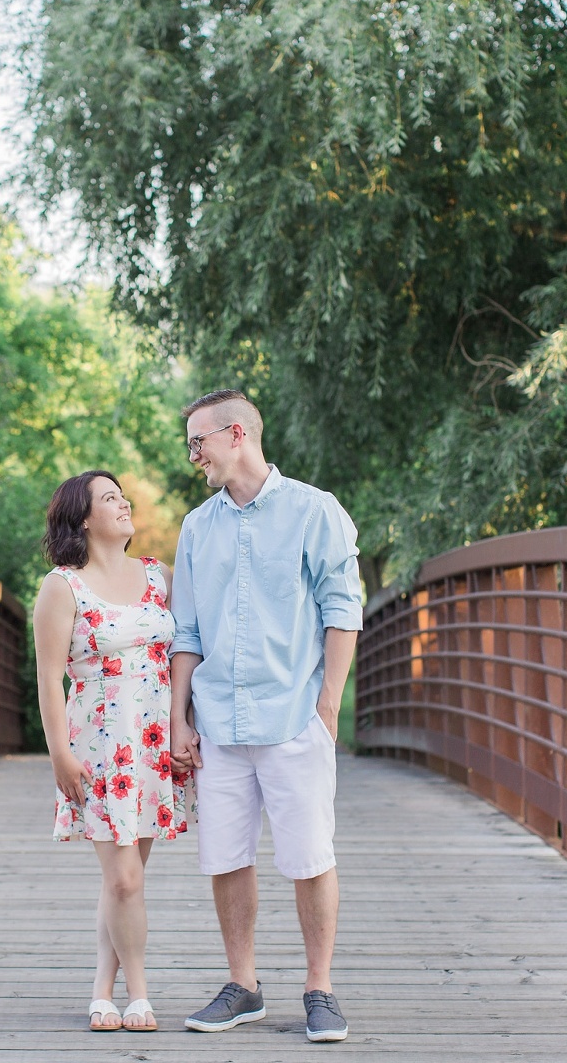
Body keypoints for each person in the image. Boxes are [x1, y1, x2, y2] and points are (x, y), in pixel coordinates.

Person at [170, 389, 363, 1044]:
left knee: (310, 856)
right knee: (225, 857)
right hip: (218, 721)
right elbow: (187, 631)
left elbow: (342, 608)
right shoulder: (197, 528)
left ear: (236, 434)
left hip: (293, 716)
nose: (193, 456)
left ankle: (320, 988)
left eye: (198, 442)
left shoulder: (314, 510)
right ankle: (243, 985)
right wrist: (179, 718)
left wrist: (328, 704)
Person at [33, 470, 191, 1032]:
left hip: (151, 746)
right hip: (98, 748)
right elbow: (49, 678)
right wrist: (58, 753)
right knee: (124, 879)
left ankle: (102, 989)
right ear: (82, 518)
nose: (124, 505)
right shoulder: (62, 587)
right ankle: (139, 993)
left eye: (123, 497)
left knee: (125, 879)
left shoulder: (158, 576)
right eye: (109, 499)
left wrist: (182, 723)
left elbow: (185, 651)